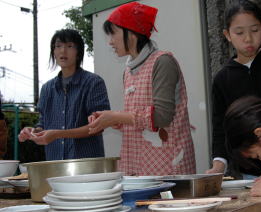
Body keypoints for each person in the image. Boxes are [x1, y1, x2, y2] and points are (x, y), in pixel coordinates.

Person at [88, 2, 196, 176]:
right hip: (138, 165)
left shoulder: (163, 62)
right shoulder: (128, 70)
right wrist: (110, 120)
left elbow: (161, 117)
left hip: (168, 165)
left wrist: (115, 116)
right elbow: (137, 118)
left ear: (131, 33)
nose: (110, 42)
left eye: (113, 33)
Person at [206, 0, 261, 177]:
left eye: (254, 30)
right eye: (239, 32)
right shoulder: (222, 78)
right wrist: (219, 163)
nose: (248, 38)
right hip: (248, 168)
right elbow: (220, 127)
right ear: (227, 35)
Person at [18, 29, 110, 160]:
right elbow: (43, 124)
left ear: (78, 52)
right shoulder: (47, 88)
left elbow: (99, 126)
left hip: (87, 166)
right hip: (55, 165)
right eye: (58, 46)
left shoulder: (93, 83)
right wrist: (33, 132)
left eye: (69, 46)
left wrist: (57, 134)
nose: (63, 51)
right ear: (53, 52)